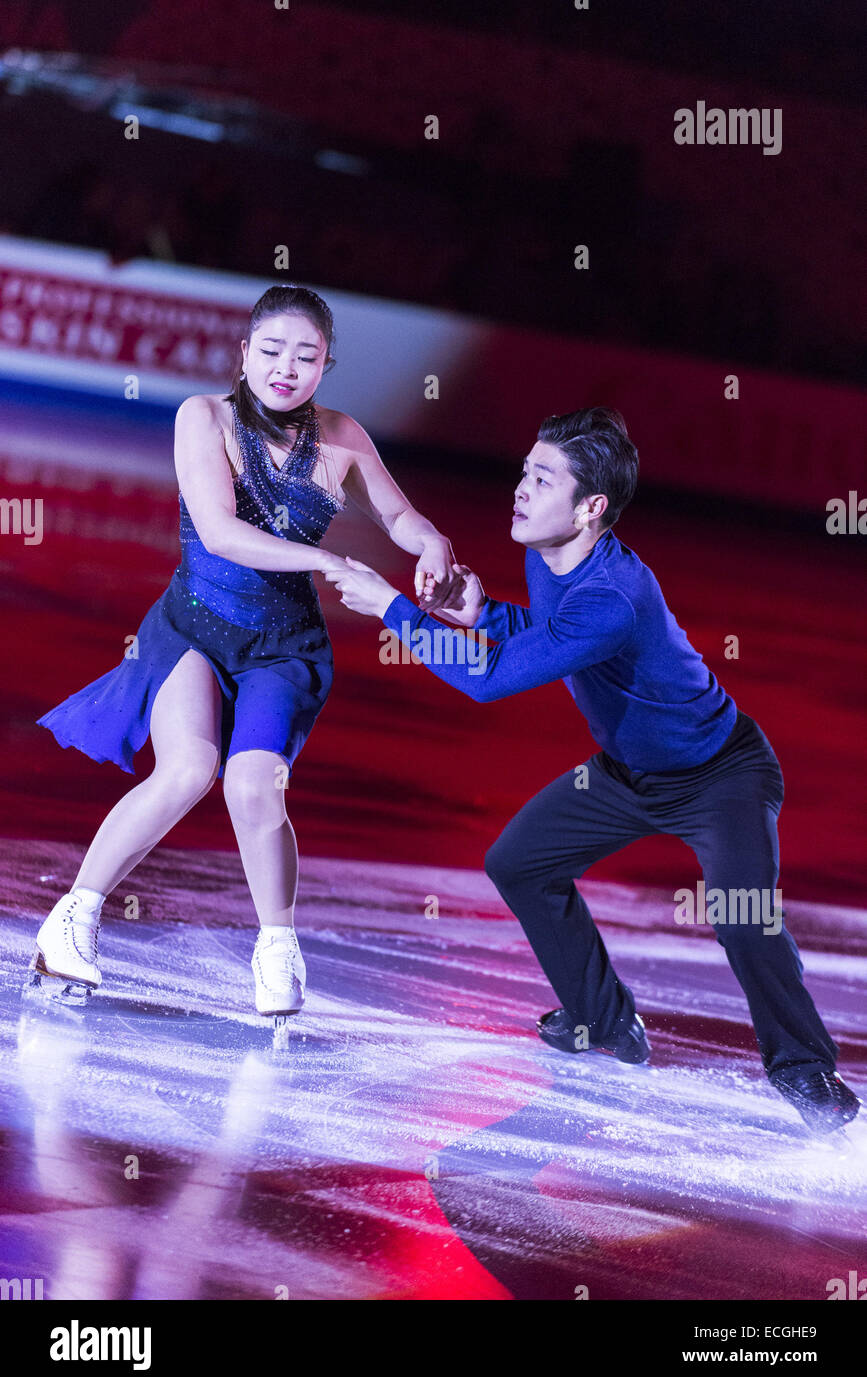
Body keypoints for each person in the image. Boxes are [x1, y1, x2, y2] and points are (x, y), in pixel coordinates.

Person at [323, 407, 860, 1134]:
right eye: (523, 471)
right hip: (627, 774)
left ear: (590, 508)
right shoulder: (545, 555)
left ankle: (806, 1074)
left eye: (541, 480)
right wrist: (480, 609)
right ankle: (604, 1023)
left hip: (719, 776)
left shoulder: (612, 594)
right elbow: (547, 640)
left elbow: (489, 681)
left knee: (741, 919)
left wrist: (393, 608)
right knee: (518, 863)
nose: (519, 489)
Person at [33, 284, 462, 1022]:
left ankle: (277, 948)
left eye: (306, 356)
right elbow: (222, 532)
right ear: (243, 352)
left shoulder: (342, 437)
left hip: (285, 649)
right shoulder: (202, 417)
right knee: (191, 769)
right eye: (271, 351)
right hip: (192, 628)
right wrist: (331, 566)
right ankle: (73, 917)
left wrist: (434, 549)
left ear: (327, 364)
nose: (286, 369)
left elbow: (400, 516)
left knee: (253, 788)